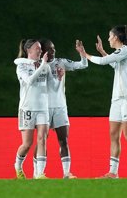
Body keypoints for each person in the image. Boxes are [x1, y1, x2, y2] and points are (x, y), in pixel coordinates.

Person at [76, 25, 127, 178]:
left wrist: (84, 54)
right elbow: (114, 64)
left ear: (117, 37)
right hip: (117, 100)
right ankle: (113, 173)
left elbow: (102, 62)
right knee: (114, 135)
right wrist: (102, 51)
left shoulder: (125, 51)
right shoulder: (120, 54)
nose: (108, 39)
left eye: (110, 36)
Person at [32, 38, 88, 179]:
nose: (53, 51)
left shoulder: (60, 62)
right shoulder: (37, 65)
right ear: (43, 51)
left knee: (63, 140)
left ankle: (66, 173)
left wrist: (82, 54)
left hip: (60, 107)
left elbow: (83, 65)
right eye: (50, 49)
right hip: (43, 108)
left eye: (54, 48)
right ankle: (37, 172)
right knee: (41, 140)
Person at [13, 39, 63, 179]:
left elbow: (52, 88)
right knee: (27, 144)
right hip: (27, 108)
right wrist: (42, 66)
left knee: (42, 139)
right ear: (29, 50)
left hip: (42, 108)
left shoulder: (45, 66)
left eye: (41, 49)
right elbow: (29, 81)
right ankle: (17, 166)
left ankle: (39, 174)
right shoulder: (21, 66)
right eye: (37, 48)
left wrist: (59, 79)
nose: (40, 51)